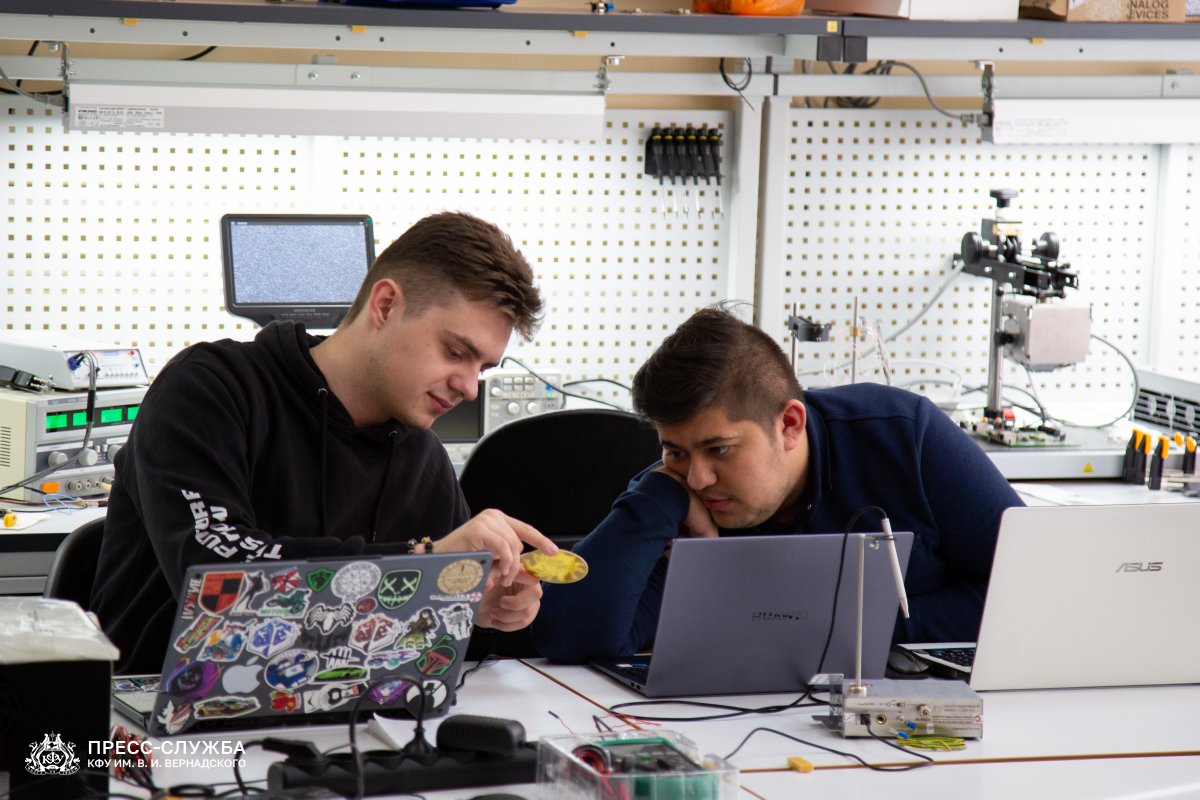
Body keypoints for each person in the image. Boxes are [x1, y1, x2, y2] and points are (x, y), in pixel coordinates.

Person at [91, 211, 558, 675]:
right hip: (154, 707)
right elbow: (219, 585)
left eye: (483, 368)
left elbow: (423, 645)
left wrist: (480, 609)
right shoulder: (208, 391)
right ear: (385, 305)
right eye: (455, 352)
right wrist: (427, 564)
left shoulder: (423, 457)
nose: (470, 388)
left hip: (349, 709)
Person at [531, 305, 1023, 663]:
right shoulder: (681, 496)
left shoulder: (903, 436)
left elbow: (1030, 591)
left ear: (789, 424)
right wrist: (655, 499)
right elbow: (572, 637)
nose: (698, 477)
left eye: (720, 449)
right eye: (675, 450)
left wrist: (850, 629)